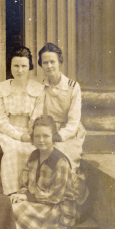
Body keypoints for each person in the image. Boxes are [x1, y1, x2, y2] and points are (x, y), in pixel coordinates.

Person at [11, 115, 88, 229]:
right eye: (37, 136)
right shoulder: (34, 156)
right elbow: (25, 182)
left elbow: (55, 196)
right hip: (41, 202)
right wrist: (22, 194)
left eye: (45, 136)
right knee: (11, 204)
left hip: (58, 209)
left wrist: (28, 197)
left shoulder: (60, 161)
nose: (41, 140)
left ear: (53, 137)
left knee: (17, 210)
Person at [0, 46, 45, 195]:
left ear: (29, 67)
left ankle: (29, 191)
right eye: (16, 66)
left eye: (23, 66)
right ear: (10, 66)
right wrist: (20, 136)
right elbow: (1, 121)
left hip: (30, 131)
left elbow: (37, 117)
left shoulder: (39, 89)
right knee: (11, 150)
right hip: (6, 132)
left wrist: (30, 135)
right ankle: (10, 193)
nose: (19, 70)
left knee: (32, 150)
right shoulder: (1, 88)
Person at [38, 43, 85, 172]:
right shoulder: (40, 87)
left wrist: (60, 135)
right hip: (48, 130)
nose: (49, 66)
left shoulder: (72, 87)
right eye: (45, 62)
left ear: (60, 62)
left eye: (52, 62)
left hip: (69, 133)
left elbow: (74, 120)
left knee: (61, 158)